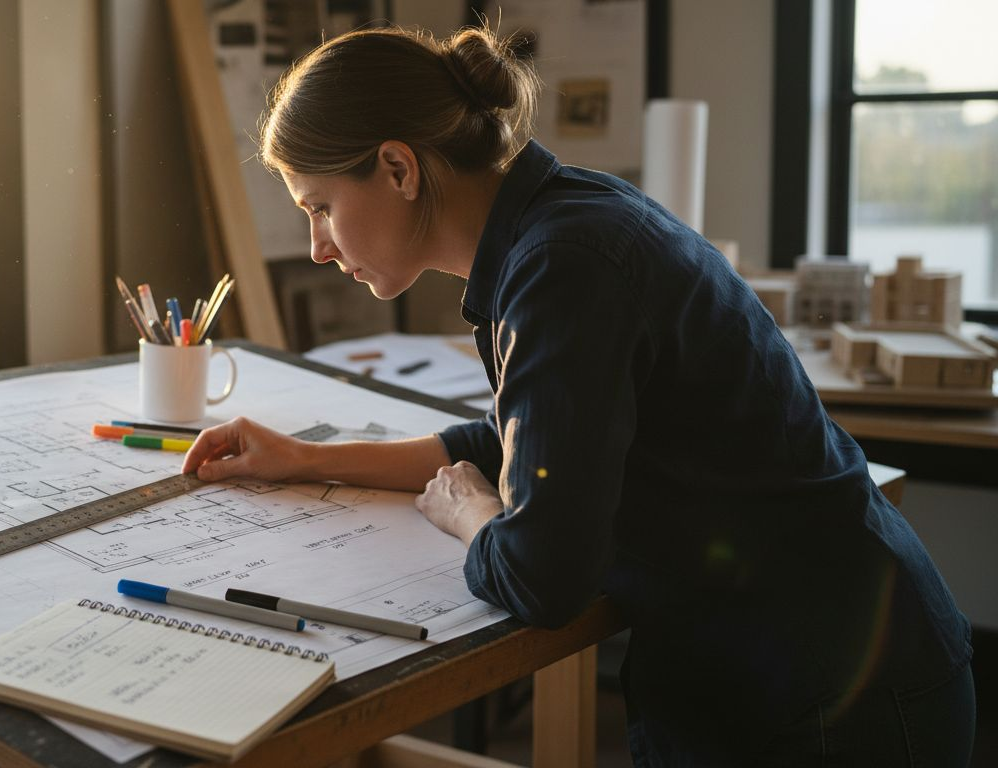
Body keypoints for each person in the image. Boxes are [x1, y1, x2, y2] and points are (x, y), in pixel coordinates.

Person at [180, 24, 975, 765]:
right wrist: (306, 459)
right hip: (805, 655)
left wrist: (474, 516)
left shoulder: (563, 267)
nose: (318, 246)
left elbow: (542, 577)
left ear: (398, 167)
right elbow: (520, 442)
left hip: (827, 697)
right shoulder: (553, 223)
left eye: (320, 208)